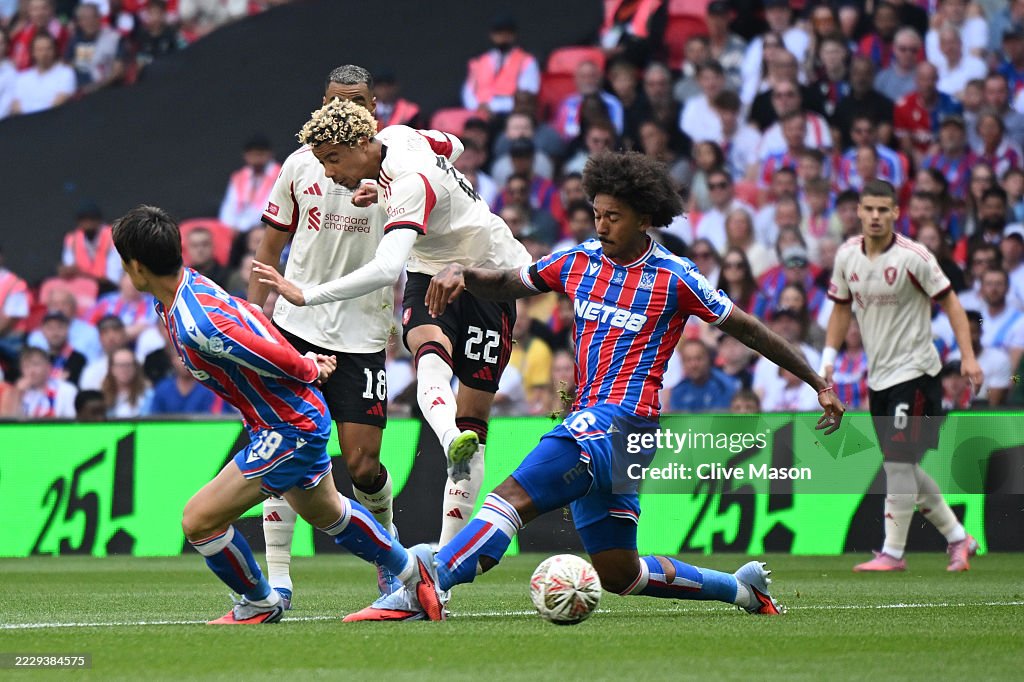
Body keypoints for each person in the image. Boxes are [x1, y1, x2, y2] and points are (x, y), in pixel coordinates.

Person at [344, 150, 845, 621]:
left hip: (623, 420)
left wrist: (818, 382)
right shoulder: (579, 260)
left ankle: (427, 582)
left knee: (511, 496)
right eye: (598, 214)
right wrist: (464, 273)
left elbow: (748, 329)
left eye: (614, 216)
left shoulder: (675, 277)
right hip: (600, 424)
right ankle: (741, 589)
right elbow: (510, 282)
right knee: (619, 573)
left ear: (644, 218)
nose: (601, 225)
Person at [110, 204, 445, 624]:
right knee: (327, 512)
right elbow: (252, 315)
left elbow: (260, 346)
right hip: (285, 422)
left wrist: (307, 366)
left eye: (124, 263)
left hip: (289, 428)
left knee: (198, 521)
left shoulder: (198, 320)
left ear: (137, 267)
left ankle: (258, 602)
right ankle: (416, 573)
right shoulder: (183, 295)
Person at [251, 98, 532, 553]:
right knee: (429, 357)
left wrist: (308, 294)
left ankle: (446, 559)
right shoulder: (401, 137)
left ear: (364, 142)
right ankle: (448, 438)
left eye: (334, 160)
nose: (329, 173)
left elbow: (385, 269)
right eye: (322, 162)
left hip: (491, 275)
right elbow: (453, 143)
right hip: (430, 270)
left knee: (474, 415)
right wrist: (378, 190)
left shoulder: (409, 182)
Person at [247, 64, 401, 605]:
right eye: (334, 101)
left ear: (373, 108)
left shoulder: (399, 168)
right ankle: (279, 580)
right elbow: (269, 251)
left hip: (363, 334)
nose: (343, 111)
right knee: (283, 453)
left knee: (362, 463)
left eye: (355, 101)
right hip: (296, 327)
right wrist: (253, 323)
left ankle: (389, 553)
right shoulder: (298, 165)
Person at [821, 179, 982, 572]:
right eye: (869, 209)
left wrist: (968, 356)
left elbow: (952, 303)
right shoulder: (847, 256)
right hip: (879, 378)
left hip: (917, 374)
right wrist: (827, 359)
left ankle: (893, 553)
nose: (875, 216)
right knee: (903, 466)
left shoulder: (915, 257)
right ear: (859, 211)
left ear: (895, 213)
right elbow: (841, 309)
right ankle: (960, 538)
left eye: (883, 210)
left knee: (897, 464)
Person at [461, 14, 540, 117]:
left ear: (513, 35)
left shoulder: (526, 61)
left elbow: (527, 95)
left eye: (507, 33)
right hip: (478, 113)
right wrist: (478, 107)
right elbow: (468, 93)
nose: (503, 37)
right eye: (499, 33)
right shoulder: (479, 62)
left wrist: (493, 107)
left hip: (510, 114)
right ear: (492, 35)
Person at [218, 134, 281, 232]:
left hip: (264, 228)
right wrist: (228, 228)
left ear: (270, 154)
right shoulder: (239, 177)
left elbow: (270, 208)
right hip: (237, 230)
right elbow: (229, 206)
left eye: (260, 153)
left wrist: (244, 228)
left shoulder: (280, 174)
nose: (256, 157)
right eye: (252, 153)